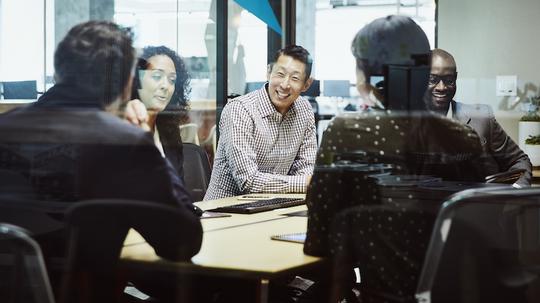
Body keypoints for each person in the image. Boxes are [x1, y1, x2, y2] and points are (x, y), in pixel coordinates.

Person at [0, 20, 202, 296]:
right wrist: (146, 142)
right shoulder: (122, 142)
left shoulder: (4, 129)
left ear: (59, 70)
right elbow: (183, 241)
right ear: (126, 82)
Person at [303, 15, 489, 303]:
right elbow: (475, 237)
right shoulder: (463, 137)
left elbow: (321, 243)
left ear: (370, 77)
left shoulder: (346, 132)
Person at [204, 45, 317, 200]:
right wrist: (304, 183)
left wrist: (306, 181)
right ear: (268, 72)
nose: (285, 84)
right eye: (280, 74)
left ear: (306, 85)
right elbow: (248, 181)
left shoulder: (304, 111)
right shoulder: (240, 110)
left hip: (275, 210)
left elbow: (306, 168)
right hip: (224, 213)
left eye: (295, 78)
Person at [424, 48, 532, 187]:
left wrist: (514, 192)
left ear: (456, 78)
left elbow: (519, 161)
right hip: (425, 205)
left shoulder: (481, 118)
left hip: (477, 205)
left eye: (449, 80)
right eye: (433, 80)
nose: (442, 87)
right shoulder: (404, 123)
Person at [131, 45, 191, 179]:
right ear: (137, 81)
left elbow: (178, 189)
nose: (165, 86)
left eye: (172, 80)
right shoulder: (122, 127)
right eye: (157, 76)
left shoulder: (169, 132)